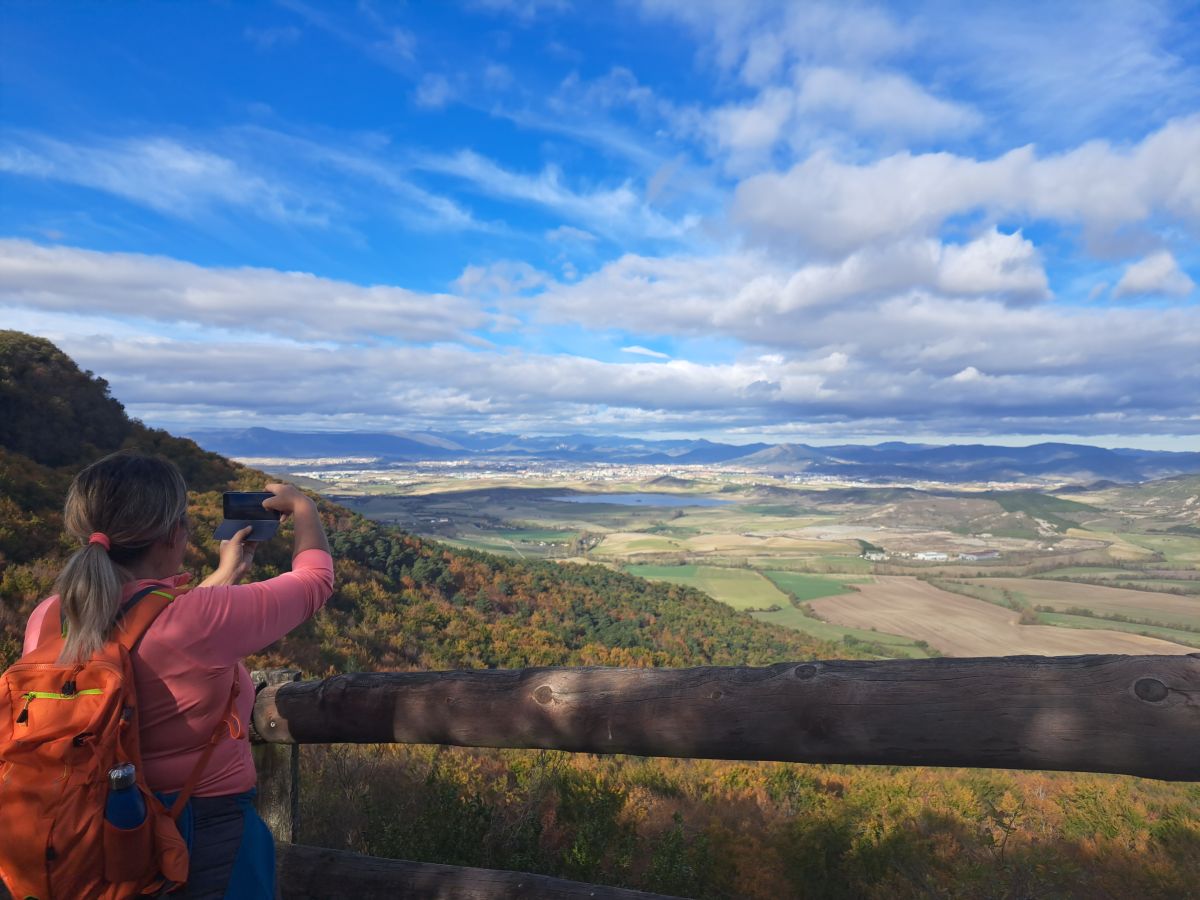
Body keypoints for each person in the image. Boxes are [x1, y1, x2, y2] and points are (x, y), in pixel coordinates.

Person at [21, 450, 335, 899]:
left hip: (80, 826)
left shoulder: (50, 617)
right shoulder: (202, 617)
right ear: (172, 534)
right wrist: (305, 509)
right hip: (200, 831)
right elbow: (314, 582)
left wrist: (224, 575)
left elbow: (144, 635)